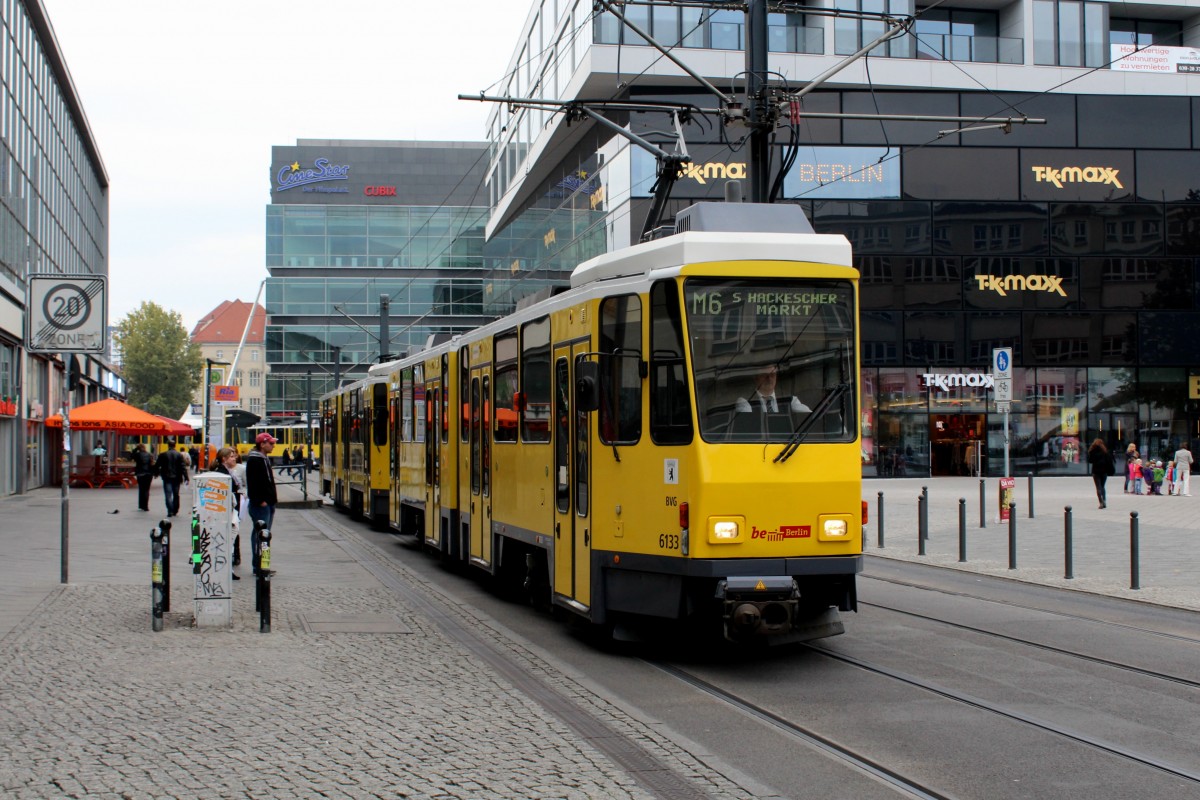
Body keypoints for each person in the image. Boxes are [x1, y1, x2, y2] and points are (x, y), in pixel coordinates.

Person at [244, 432, 278, 573]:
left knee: (265, 535)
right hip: (261, 504)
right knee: (261, 535)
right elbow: (253, 483)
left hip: (268, 503)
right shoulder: (255, 460)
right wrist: (260, 501)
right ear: (262, 444)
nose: (273, 446)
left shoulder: (263, 458)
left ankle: (263, 565)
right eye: (270, 443)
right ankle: (259, 566)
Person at [213, 446, 243, 580]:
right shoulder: (222, 474)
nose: (234, 458)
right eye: (231, 456)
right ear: (224, 459)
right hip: (227, 513)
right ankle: (225, 569)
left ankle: (227, 568)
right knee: (227, 541)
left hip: (231, 511)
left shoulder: (228, 472)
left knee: (229, 541)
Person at [735, 364, 811, 413]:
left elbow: (808, 417)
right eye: (764, 375)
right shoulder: (744, 401)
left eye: (772, 375)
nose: (769, 378)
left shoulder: (790, 399)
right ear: (756, 378)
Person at [155, 442, 189, 517]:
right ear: (175, 446)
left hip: (167, 477)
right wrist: (186, 477)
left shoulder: (163, 455)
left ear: (168, 445)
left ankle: (170, 510)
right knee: (176, 494)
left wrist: (156, 473)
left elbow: (157, 465)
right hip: (177, 477)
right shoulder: (179, 455)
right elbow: (183, 467)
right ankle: (175, 510)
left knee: (168, 494)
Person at [1087, 438, 1113, 509]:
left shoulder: (1092, 451)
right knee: (1102, 486)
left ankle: (1101, 502)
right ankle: (1104, 500)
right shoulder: (1105, 451)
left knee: (1098, 487)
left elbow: (1090, 460)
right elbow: (1109, 461)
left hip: (1096, 471)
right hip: (1104, 471)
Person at [132, 444, 155, 512]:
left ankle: (141, 505)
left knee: (141, 489)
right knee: (147, 490)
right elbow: (152, 464)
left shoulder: (137, 455)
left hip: (140, 474)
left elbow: (131, 456)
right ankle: (146, 506)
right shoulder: (149, 454)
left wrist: (135, 449)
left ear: (138, 448)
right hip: (149, 474)